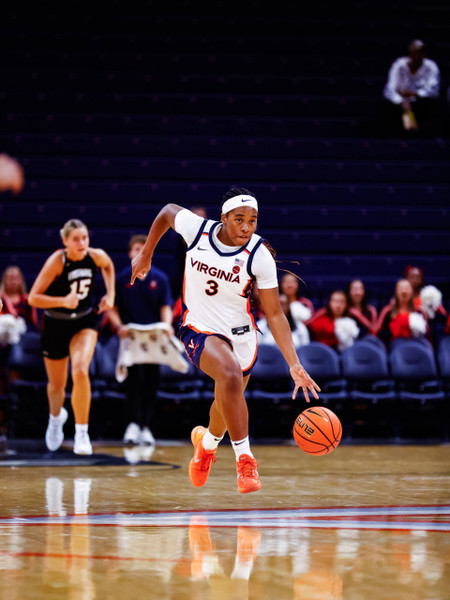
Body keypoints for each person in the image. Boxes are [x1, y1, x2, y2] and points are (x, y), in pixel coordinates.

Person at [130, 187, 320, 494]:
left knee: (225, 401)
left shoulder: (258, 255)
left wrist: (294, 364)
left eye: (252, 220)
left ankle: (206, 445)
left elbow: (274, 314)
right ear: (224, 218)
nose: (246, 227)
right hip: (199, 327)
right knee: (230, 375)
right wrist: (147, 253)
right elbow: (167, 211)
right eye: (239, 219)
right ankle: (245, 460)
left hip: (241, 334)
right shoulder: (198, 230)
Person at [28, 219, 115, 455]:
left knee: (80, 370)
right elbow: (33, 298)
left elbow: (108, 265)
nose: (81, 243)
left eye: (84, 237)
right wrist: (62, 301)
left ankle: (81, 432)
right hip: (55, 324)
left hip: (84, 322)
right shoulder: (58, 261)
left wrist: (110, 294)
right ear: (65, 241)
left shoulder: (95, 256)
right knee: (57, 385)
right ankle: (56, 419)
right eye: (76, 239)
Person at [107, 234, 174, 447]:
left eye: (143, 248)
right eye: (136, 248)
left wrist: (167, 326)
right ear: (130, 253)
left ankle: (146, 427)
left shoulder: (160, 279)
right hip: (131, 337)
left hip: (153, 338)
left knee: (152, 381)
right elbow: (112, 308)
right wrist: (118, 326)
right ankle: (132, 424)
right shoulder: (122, 278)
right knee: (133, 380)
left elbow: (166, 307)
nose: (140, 252)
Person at [382, 39, 441, 136]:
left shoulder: (431, 66)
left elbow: (433, 90)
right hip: (399, 104)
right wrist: (402, 101)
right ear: (411, 52)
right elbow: (389, 90)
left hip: (421, 104)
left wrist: (415, 94)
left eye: (422, 52)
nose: (419, 55)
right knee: (388, 106)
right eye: (416, 52)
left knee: (432, 106)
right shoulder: (399, 65)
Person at [375, 278, 431, 349]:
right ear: (396, 292)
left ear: (412, 291)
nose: (404, 291)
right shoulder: (387, 311)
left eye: (407, 288)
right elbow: (376, 333)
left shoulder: (419, 312)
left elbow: (427, 336)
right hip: (394, 349)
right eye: (401, 288)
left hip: (415, 348)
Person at [403, 265, 447, 348]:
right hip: (404, 338)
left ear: (421, 279)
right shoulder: (401, 298)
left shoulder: (427, 296)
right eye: (411, 277)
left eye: (417, 277)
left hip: (424, 339)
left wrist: (432, 310)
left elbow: (444, 316)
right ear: (406, 278)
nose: (414, 280)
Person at [0, 265, 40, 331]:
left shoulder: (27, 300)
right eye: (10, 278)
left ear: (21, 280)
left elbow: (34, 323)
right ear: (4, 280)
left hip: (25, 333)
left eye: (16, 278)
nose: (13, 282)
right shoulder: (1, 299)